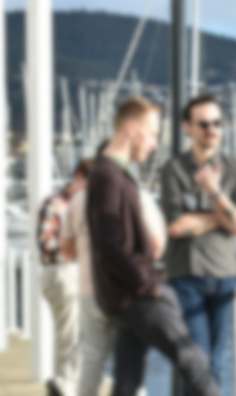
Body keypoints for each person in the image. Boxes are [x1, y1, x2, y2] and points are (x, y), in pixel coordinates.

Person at [85, 97, 222, 396]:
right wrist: (149, 285)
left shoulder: (111, 172)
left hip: (124, 297)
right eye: (153, 134)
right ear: (132, 128)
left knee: (127, 382)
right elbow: (109, 247)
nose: (155, 144)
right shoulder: (109, 175)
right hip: (138, 296)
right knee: (194, 361)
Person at [160, 94, 236, 393]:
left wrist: (213, 192)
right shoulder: (173, 170)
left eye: (217, 123)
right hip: (185, 275)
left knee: (217, 361)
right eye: (203, 124)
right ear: (187, 127)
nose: (211, 129)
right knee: (195, 359)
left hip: (225, 275)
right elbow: (176, 226)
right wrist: (221, 216)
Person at [64, 155, 168, 396]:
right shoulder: (137, 196)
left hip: (89, 290)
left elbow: (66, 248)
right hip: (127, 292)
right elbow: (158, 244)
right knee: (131, 361)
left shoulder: (78, 200)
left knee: (93, 357)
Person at [37, 160, 93, 396]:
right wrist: (78, 247)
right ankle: (64, 382)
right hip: (61, 271)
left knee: (83, 332)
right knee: (70, 333)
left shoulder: (82, 205)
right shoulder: (56, 203)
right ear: (78, 177)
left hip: (75, 272)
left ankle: (63, 381)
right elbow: (46, 242)